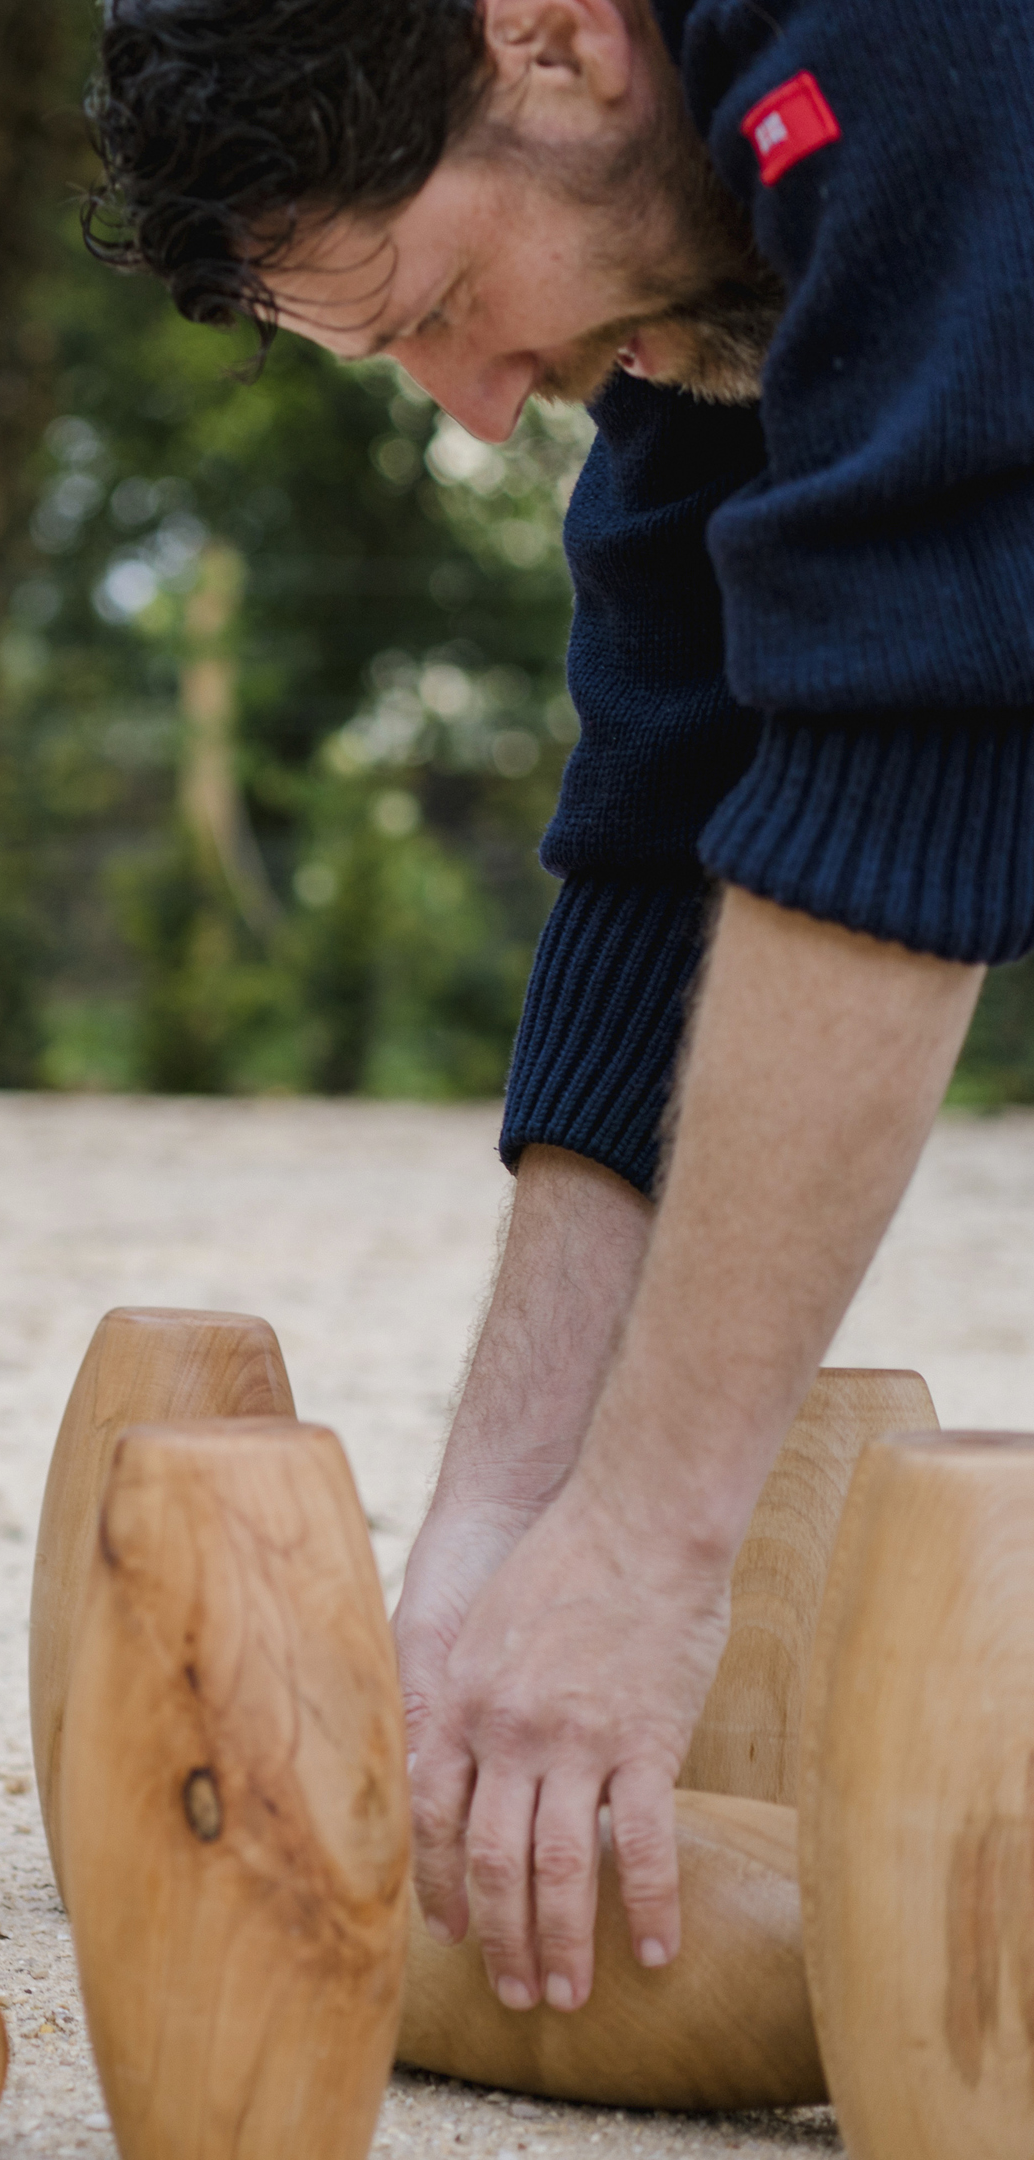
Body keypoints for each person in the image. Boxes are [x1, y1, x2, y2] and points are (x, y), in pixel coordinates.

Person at [86, 0, 1029, 2018]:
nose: (481, 409)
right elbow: (664, 820)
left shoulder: (912, 49)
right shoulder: (699, 248)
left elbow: (917, 739)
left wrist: (651, 1547)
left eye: (442, 303)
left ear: (552, 40)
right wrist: (506, 1521)